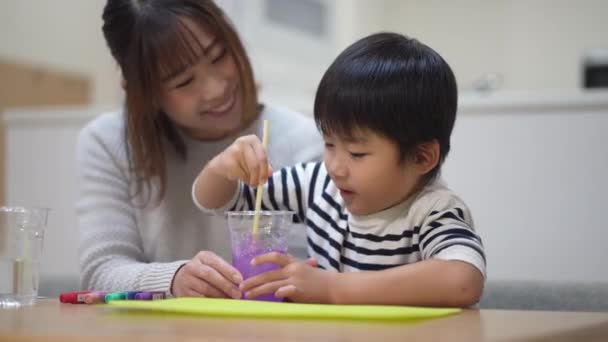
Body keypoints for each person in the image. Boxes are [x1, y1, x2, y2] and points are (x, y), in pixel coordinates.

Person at [193, 32, 486, 307]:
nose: (335, 166)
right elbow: (218, 201)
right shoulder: (318, 184)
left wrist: (332, 287)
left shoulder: (432, 211)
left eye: (357, 153)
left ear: (422, 157)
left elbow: (463, 281)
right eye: (330, 144)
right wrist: (223, 168)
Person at [76, 0, 322, 299]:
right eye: (184, 81)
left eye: (218, 56)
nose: (216, 89)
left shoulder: (306, 141)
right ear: (143, 91)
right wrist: (174, 278)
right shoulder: (108, 142)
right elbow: (101, 269)